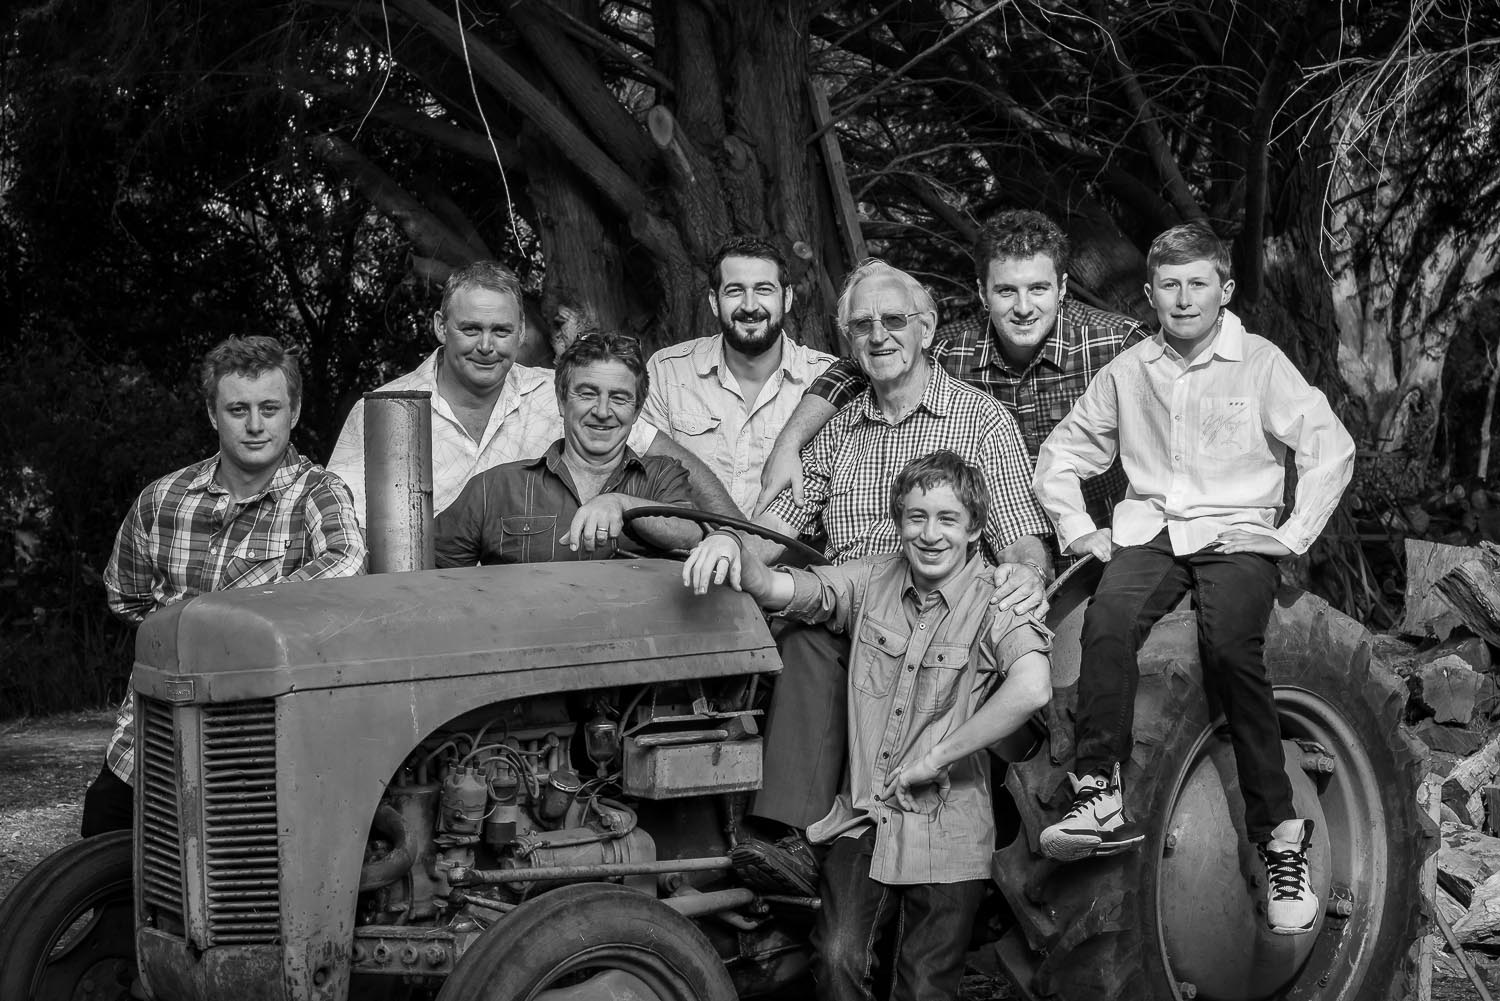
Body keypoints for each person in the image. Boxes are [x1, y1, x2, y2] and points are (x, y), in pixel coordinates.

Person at [1031, 223, 1356, 936]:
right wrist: (1079, 529)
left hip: (1237, 533)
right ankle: (1098, 791)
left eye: (1198, 283)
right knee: (1106, 624)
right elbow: (1061, 456)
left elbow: (1330, 447)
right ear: (1150, 294)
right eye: (1170, 286)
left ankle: (1280, 838)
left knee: (1231, 648)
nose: (1183, 298)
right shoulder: (1128, 369)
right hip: (1152, 532)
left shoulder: (1261, 363)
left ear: (1224, 289)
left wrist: (1289, 535)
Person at [691, 259, 1052, 893]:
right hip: (856, 601)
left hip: (942, 621)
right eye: (862, 325)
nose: (878, 336)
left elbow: (1020, 532)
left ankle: (794, 835)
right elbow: (776, 528)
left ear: (927, 327)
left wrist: (1024, 570)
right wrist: (727, 542)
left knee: (811, 644)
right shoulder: (839, 433)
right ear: (847, 340)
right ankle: (748, 838)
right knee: (776, 634)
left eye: (894, 321)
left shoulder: (981, 418)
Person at [684, 451, 1053, 1001]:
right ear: (898, 521)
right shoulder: (870, 579)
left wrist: (934, 759)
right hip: (866, 819)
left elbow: (1033, 687)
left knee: (924, 986)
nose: (930, 535)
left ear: (975, 528)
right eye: (916, 518)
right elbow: (781, 588)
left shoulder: (999, 596)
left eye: (948, 520)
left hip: (948, 827)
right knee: (836, 960)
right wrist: (732, 547)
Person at [82, 336, 366, 837]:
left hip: (255, 752)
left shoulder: (320, 496)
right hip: (148, 741)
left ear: (293, 412)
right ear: (214, 415)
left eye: (269, 408)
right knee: (102, 882)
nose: (255, 425)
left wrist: (219, 627)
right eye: (238, 409)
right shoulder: (163, 499)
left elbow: (346, 571)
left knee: (235, 894)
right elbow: (126, 596)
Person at [754, 209, 1145, 535]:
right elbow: (860, 368)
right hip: (1005, 548)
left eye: (1038, 289)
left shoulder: (1117, 345)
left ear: (1061, 288)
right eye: (1007, 291)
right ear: (982, 292)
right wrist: (788, 444)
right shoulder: (950, 349)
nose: (1023, 307)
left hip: (1098, 550)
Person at [327, 261, 738, 527]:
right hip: (423, 599)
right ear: (440, 326)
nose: (486, 346)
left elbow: (670, 456)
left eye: (501, 331)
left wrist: (741, 539)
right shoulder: (383, 411)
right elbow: (339, 524)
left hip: (536, 599)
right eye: (471, 329)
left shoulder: (556, 394)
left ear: (522, 332)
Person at [435, 332, 703, 566]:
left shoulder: (662, 477)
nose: (602, 411)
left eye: (619, 398)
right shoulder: (493, 488)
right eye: (587, 394)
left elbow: (690, 533)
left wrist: (621, 504)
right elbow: (428, 577)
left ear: (636, 411)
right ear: (562, 402)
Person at [641, 236, 836, 516]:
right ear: (713, 301)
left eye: (764, 289)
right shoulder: (668, 371)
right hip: (683, 553)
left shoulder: (825, 379)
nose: (749, 305)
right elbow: (645, 478)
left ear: (788, 297)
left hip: (787, 557)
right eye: (734, 291)